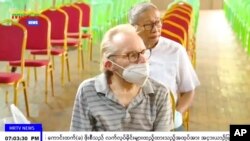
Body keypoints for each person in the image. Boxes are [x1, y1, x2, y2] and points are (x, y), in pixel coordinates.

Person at [70, 24, 174, 131]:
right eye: (132, 55)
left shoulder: (159, 93)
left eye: (143, 52)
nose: (143, 60)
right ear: (109, 65)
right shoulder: (87, 91)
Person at [128, 2, 200, 131]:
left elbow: (189, 90)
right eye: (148, 25)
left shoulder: (175, 50)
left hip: (166, 121)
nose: (155, 29)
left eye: (158, 22)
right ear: (134, 27)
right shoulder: (123, 51)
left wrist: (177, 113)